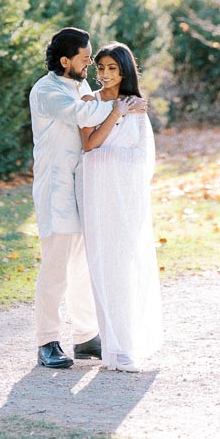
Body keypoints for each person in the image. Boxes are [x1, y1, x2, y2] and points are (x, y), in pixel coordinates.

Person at [29, 27, 146, 370]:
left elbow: (94, 111)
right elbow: (83, 115)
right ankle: (47, 341)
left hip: (83, 187)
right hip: (56, 189)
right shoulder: (47, 91)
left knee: (83, 265)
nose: (90, 63)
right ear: (66, 60)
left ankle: (84, 337)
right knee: (55, 268)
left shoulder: (79, 87)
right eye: (85, 58)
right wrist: (122, 105)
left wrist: (120, 103)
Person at [76, 41, 163, 372]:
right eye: (101, 68)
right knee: (102, 265)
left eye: (112, 68)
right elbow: (90, 145)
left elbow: (142, 156)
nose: (105, 74)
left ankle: (127, 346)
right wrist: (115, 113)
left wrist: (111, 156)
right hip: (97, 196)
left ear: (124, 70)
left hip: (126, 198)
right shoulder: (90, 102)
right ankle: (113, 349)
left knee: (126, 266)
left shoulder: (136, 106)